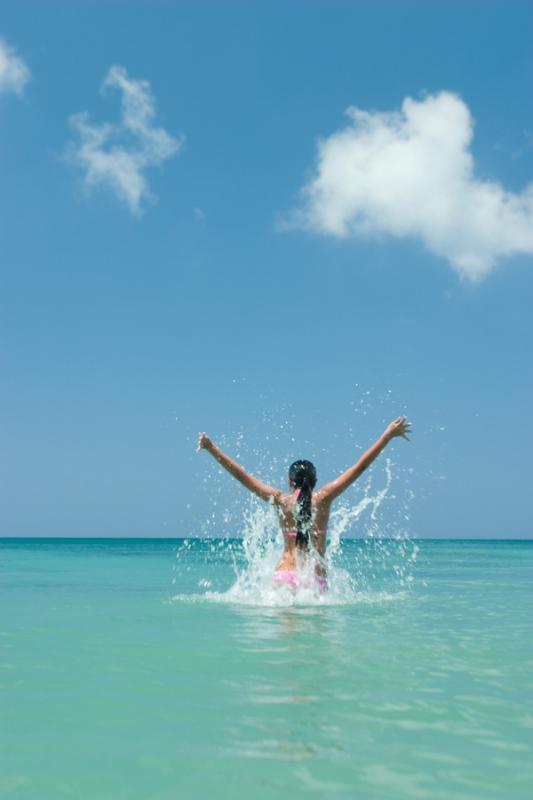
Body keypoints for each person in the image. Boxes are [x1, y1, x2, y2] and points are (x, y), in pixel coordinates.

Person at [197, 416, 411, 592]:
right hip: (314, 580)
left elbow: (242, 476)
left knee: (287, 643)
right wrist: (387, 436)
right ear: (315, 482)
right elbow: (360, 467)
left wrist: (211, 448)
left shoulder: (281, 501)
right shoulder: (325, 498)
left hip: (284, 576)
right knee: (315, 643)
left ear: (290, 482)